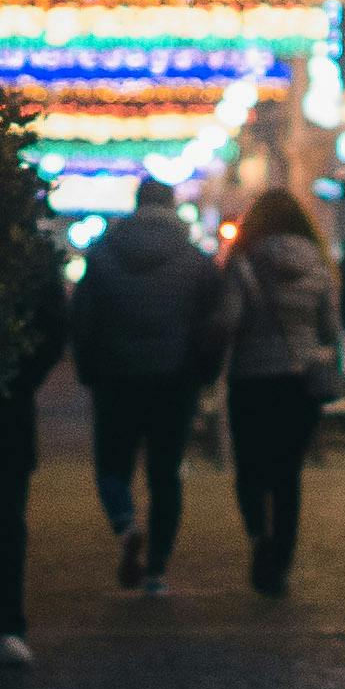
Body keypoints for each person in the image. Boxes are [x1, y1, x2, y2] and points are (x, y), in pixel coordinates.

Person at [69, 181, 236, 591]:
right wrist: (204, 373)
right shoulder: (194, 261)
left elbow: (82, 319)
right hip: (174, 381)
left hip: (116, 379)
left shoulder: (104, 255)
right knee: (165, 475)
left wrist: (89, 370)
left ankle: (126, 525)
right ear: (172, 208)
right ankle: (157, 570)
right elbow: (215, 323)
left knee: (112, 465)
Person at [218, 188, 341, 598]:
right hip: (301, 381)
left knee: (250, 468)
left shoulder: (244, 262)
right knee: (287, 474)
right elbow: (330, 329)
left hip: (252, 378)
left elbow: (230, 319)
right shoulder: (318, 265)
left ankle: (259, 538)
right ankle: (281, 564)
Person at [0, 227, 70, 666]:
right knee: (5, 513)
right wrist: (20, 380)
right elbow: (54, 325)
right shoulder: (27, 247)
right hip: (7, 405)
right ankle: (4, 624)